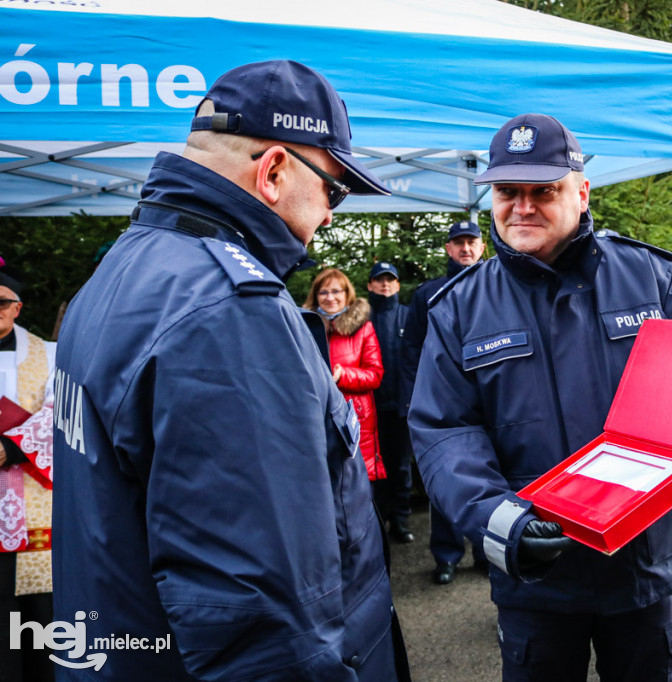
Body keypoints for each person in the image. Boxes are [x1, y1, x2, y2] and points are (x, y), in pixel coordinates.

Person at [52, 60, 408, 680]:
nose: (330, 215)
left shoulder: (119, 275)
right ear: (273, 171)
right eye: (334, 188)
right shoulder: (230, 314)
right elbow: (264, 621)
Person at [408, 113, 672, 680]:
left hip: (645, 564)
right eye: (507, 191)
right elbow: (444, 433)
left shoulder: (647, 275)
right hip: (539, 577)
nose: (522, 206)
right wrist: (501, 521)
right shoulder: (459, 308)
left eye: (543, 190)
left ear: (582, 191)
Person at [400, 219, 488, 585]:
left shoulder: (497, 285)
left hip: (489, 399)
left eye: (472, 241)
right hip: (444, 401)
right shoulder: (427, 294)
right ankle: (447, 556)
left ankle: (488, 551)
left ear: (482, 246)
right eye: (459, 243)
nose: (466, 248)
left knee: (492, 476)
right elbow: (411, 351)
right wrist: (412, 400)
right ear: (448, 249)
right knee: (447, 479)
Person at [0, 261, 57, 682]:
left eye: (0, 303)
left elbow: (62, 414)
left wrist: (8, 447)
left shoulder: (48, 355)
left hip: (31, 494)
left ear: (17, 307)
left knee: (34, 616)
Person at [304, 268, 386, 482]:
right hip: (316, 412)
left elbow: (375, 374)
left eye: (336, 291)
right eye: (323, 292)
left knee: (356, 479)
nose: (330, 297)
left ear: (346, 294)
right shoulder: (306, 327)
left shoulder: (363, 328)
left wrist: (344, 375)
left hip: (355, 415)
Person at [367, 261, 415, 543]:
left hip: (401, 409)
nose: (385, 284)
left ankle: (401, 522)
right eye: (379, 280)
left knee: (401, 467)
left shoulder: (409, 316)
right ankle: (377, 522)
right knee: (374, 470)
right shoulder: (361, 318)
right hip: (370, 411)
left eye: (390, 280)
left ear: (397, 285)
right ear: (370, 285)